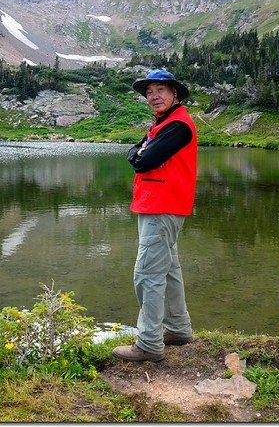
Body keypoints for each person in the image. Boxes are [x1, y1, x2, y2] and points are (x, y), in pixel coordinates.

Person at [112, 68, 197, 363]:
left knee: (147, 274)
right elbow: (137, 151)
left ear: (175, 93)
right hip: (161, 205)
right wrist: (138, 152)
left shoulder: (178, 126)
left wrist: (138, 154)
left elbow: (142, 159)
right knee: (169, 270)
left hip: (161, 206)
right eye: (149, 92)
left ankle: (149, 343)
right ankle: (178, 329)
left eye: (160, 89)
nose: (154, 96)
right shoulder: (163, 124)